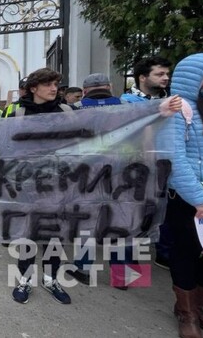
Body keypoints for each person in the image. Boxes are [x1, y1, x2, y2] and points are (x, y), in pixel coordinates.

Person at [10, 68, 72, 305]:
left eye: (56, 83)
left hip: (59, 184)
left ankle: (50, 279)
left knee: (55, 235)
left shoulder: (67, 112)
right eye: (48, 84)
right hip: (28, 186)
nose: (54, 88)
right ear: (34, 88)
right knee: (27, 235)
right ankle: (24, 280)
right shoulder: (18, 114)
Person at [166, 53, 203, 338]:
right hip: (189, 199)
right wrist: (199, 198)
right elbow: (175, 158)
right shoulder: (176, 110)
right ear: (199, 77)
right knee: (185, 253)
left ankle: (198, 307)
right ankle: (186, 314)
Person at [67, 73, 132, 289]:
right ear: (110, 87)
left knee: (86, 222)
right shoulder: (127, 107)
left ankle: (83, 269)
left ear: (84, 91)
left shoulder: (74, 110)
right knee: (121, 223)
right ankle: (123, 276)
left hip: (86, 175)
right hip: (122, 174)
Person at [121, 57, 173, 269]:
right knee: (128, 223)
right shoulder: (125, 103)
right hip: (134, 171)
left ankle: (162, 256)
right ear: (143, 77)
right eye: (159, 74)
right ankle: (123, 272)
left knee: (157, 218)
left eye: (167, 74)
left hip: (166, 170)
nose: (166, 78)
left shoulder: (171, 102)